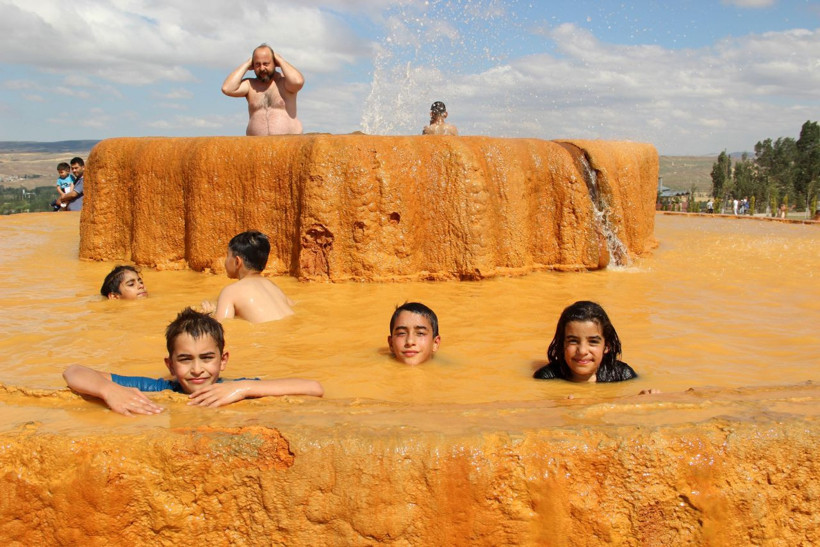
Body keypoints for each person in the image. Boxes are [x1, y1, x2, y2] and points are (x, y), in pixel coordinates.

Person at [63, 307, 323, 416]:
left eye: (207, 358)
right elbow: (73, 371)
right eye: (185, 359)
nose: (197, 369)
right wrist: (109, 391)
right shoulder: (159, 388)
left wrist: (242, 388)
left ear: (223, 361)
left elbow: (313, 388)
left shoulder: (231, 389)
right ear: (170, 365)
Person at [533, 301, 637, 383]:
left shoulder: (623, 375)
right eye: (573, 341)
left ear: (606, 346)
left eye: (593, 342)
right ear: (562, 344)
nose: (582, 351)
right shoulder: (547, 377)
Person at [203, 231, 294, 323]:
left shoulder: (230, 292)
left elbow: (222, 325)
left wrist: (209, 315)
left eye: (227, 255)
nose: (225, 261)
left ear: (237, 261)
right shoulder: (273, 286)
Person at [221, 44, 304, 136]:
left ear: (275, 63)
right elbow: (227, 88)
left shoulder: (285, 83)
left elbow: (298, 82)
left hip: (288, 144)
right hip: (256, 145)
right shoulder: (250, 85)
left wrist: (280, 60)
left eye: (266, 64)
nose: (262, 68)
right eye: (257, 64)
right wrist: (246, 64)